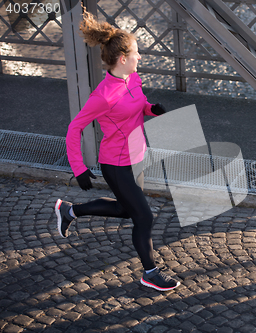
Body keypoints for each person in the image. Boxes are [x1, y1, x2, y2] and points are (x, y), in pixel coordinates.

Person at [54, 9, 179, 292]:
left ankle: (70, 211)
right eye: (136, 53)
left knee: (126, 210)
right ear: (122, 58)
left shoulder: (133, 78)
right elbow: (75, 128)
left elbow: (139, 104)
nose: (140, 58)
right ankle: (150, 273)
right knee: (143, 217)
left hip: (138, 157)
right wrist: (79, 168)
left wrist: (151, 110)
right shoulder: (103, 96)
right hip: (116, 164)